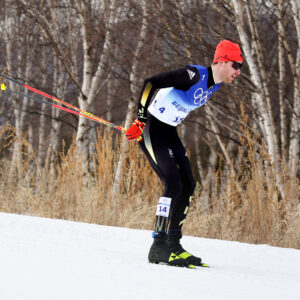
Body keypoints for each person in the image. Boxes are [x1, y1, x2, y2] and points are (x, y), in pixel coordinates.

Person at [125, 40, 243, 268]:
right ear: (223, 61)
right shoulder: (193, 75)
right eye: (236, 66)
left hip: (169, 131)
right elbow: (151, 83)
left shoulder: (213, 86)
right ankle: (158, 245)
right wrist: (140, 120)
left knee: (188, 184)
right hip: (151, 129)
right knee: (172, 182)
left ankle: (173, 244)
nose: (238, 72)